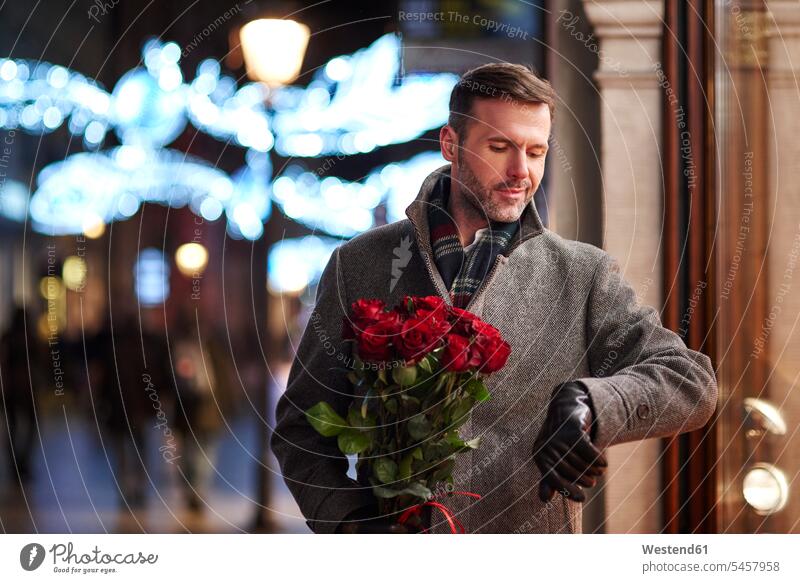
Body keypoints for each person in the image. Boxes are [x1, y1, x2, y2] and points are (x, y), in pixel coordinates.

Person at [270, 63, 718, 534]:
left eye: (536, 151)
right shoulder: (359, 264)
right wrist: (351, 529)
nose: (520, 171)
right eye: (500, 147)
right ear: (451, 144)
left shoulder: (582, 274)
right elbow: (301, 430)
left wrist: (591, 400)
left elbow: (691, 383)